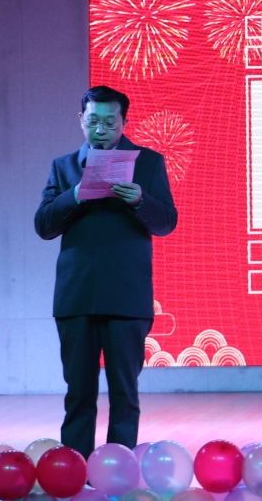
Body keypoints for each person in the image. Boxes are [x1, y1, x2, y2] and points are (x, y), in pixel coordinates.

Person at [34, 85, 177, 458]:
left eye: (110, 122)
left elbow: (166, 223)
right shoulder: (64, 167)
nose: (101, 129)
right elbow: (44, 226)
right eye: (93, 121)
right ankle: (75, 468)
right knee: (78, 392)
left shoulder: (148, 162)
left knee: (124, 393)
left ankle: (119, 466)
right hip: (77, 297)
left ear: (123, 122)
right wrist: (74, 195)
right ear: (81, 120)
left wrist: (140, 199)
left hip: (127, 297)